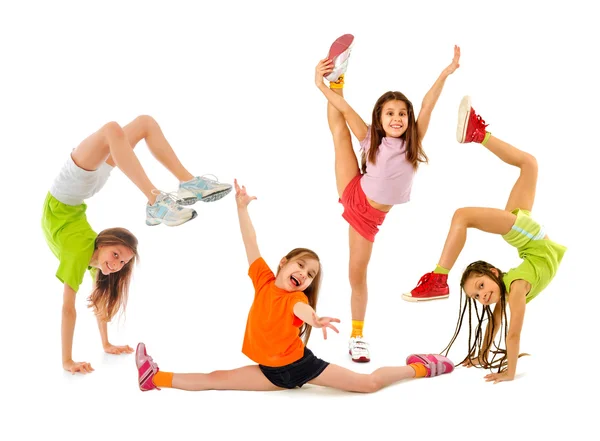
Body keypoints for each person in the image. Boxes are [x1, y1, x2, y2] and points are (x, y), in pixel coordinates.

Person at [134, 179, 454, 393]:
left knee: (367, 385)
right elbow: (251, 243)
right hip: (269, 373)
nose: (304, 274)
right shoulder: (262, 281)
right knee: (215, 380)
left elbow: (302, 310)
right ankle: (154, 378)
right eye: (300, 265)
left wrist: (314, 319)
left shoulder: (297, 298)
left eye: (311, 274)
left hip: (302, 367)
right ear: (283, 262)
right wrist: (242, 209)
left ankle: (421, 368)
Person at [42, 115, 232, 374]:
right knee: (129, 126)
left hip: (75, 189)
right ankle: (160, 197)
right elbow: (77, 306)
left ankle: (186, 183)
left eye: (120, 260)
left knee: (132, 126)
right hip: (75, 189)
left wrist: (101, 346)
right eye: (118, 257)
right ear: (103, 244)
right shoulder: (85, 255)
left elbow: (84, 305)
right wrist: (76, 356)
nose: (117, 264)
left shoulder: (85, 255)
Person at [315, 34, 461, 362]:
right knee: (340, 134)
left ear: (408, 120)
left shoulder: (414, 142)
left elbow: (427, 104)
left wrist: (445, 73)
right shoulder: (371, 139)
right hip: (355, 194)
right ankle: (357, 336)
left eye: (401, 114)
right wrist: (322, 86)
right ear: (379, 119)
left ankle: (356, 333)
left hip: (371, 218)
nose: (396, 119)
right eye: (389, 114)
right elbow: (345, 109)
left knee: (357, 273)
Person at [403, 96, 567, 383]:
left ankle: (439, 278)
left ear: (493, 273)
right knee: (529, 164)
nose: (482, 297)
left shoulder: (515, 286)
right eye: (477, 296)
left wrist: (509, 373)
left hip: (531, 238)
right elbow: (499, 325)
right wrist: (481, 353)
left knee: (462, 215)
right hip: (530, 240)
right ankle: (478, 134)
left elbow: (512, 334)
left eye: (479, 287)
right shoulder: (512, 289)